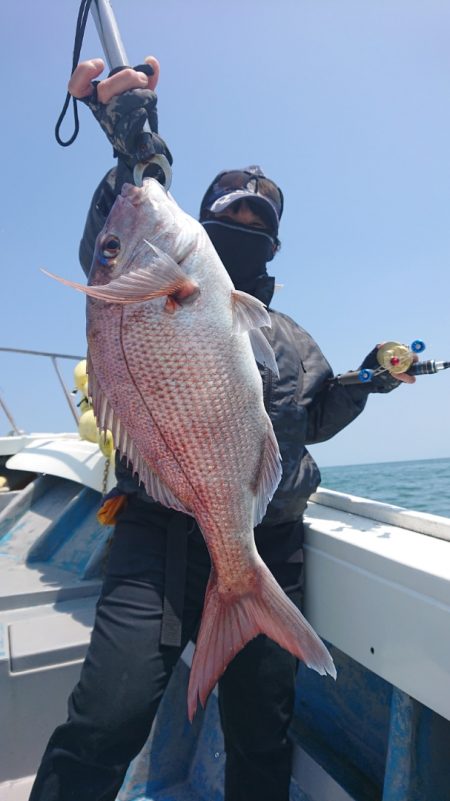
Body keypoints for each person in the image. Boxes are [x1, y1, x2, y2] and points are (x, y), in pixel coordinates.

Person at [29, 58, 415, 801]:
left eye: (256, 224)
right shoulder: (142, 274)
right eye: (228, 215)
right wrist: (134, 151)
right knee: (106, 718)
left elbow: (315, 416)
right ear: (196, 221)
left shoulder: (290, 337)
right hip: (160, 528)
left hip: (263, 538)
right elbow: (113, 249)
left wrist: (369, 376)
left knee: (261, 736)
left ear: (272, 246)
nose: (241, 229)